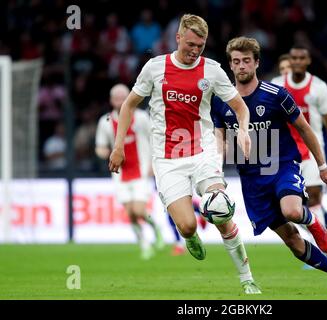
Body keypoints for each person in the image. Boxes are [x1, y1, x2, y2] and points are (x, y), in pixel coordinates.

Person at [108, 14, 261, 294]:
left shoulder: (212, 70)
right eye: (190, 44)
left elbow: (240, 106)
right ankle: (189, 236)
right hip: (167, 160)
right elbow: (129, 106)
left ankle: (247, 278)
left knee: (220, 210)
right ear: (177, 38)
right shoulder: (155, 68)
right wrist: (118, 146)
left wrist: (242, 130)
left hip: (203, 152)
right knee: (188, 226)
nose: (194, 51)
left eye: (200, 46)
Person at [212, 36, 327, 290]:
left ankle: (311, 220)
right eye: (236, 62)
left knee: (291, 211)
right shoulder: (220, 101)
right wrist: (213, 173)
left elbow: (305, 129)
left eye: (247, 61)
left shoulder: (276, 94)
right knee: (291, 239)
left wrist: (323, 167)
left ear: (257, 63)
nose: (241, 66)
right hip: (251, 179)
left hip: (281, 166)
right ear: (230, 66)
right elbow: (219, 141)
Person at [271, 44, 327, 263]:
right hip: (284, 155)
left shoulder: (319, 87)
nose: (296, 62)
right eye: (292, 58)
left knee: (314, 200)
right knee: (291, 207)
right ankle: (326, 245)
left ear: (307, 61)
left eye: (300, 58)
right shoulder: (276, 86)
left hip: (313, 155)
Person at [95, 84, 165, 260]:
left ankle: (155, 227)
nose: (120, 101)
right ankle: (144, 244)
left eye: (123, 97)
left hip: (141, 171)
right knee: (130, 213)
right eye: (116, 97)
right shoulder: (106, 122)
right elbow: (100, 146)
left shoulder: (141, 118)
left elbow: (155, 140)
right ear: (111, 100)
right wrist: (103, 152)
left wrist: (153, 165)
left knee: (139, 210)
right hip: (120, 174)